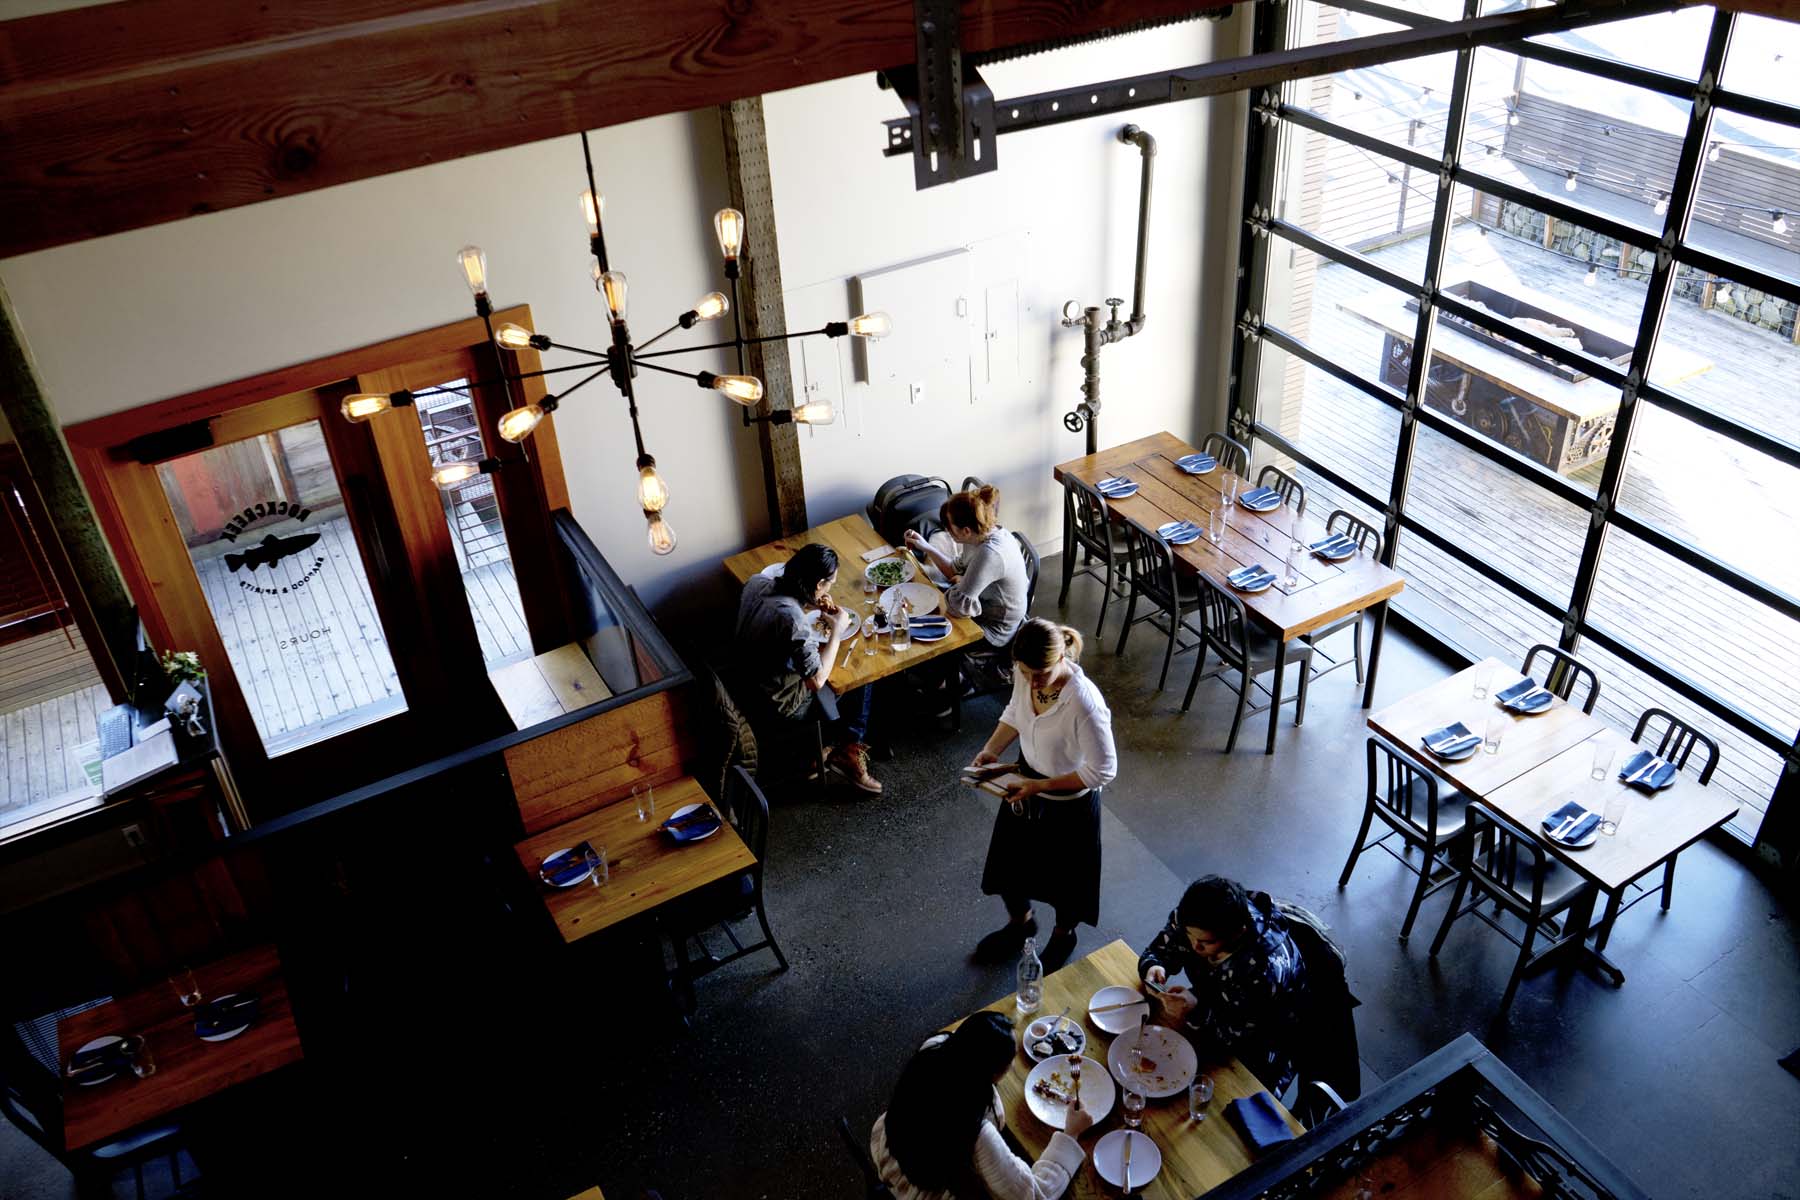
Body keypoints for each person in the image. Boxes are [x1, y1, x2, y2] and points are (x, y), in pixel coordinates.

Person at [968, 619, 1117, 970]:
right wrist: (992, 749)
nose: (1033, 681)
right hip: (1027, 785)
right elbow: (1016, 714)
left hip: (1069, 805)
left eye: (1041, 673)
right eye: (1025, 671)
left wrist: (1039, 786)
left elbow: (1102, 771)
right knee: (1008, 869)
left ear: (1062, 656)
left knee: (1066, 885)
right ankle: (1021, 924)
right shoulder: (1025, 674)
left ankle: (1064, 934)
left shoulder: (1084, 704)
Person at [871, 1011, 1091, 1199]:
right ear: (996, 1074)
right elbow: (1034, 1194)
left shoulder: (935, 1048)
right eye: (1011, 1059)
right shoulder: (975, 1131)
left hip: (903, 1145)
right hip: (932, 1188)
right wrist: (1071, 1133)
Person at [1136, 875, 1310, 1095]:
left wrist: (1196, 1008)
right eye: (1189, 935)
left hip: (1264, 1039)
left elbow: (1236, 1036)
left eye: (1206, 942)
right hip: (1219, 996)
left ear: (1237, 933)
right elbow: (1161, 948)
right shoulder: (1194, 916)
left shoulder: (1263, 971)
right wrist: (1154, 966)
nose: (1194, 945)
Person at [734, 542, 880, 793]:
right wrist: (836, 630)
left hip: (745, 680)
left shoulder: (756, 582)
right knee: (861, 673)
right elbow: (817, 681)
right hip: (779, 703)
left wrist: (810, 603)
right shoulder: (794, 621)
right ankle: (848, 750)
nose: (831, 587)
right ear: (818, 584)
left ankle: (819, 752)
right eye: (830, 582)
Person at [904, 484, 1029, 692]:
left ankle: (954, 685)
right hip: (983, 605)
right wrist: (925, 546)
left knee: (928, 621)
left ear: (966, 530)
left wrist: (960, 584)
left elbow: (957, 608)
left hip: (995, 629)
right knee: (925, 604)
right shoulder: (979, 535)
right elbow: (954, 568)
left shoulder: (990, 554)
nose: (947, 532)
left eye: (950, 528)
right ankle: (940, 675)